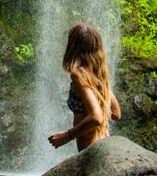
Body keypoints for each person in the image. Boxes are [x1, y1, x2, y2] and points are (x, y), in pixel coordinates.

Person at [48, 22, 121, 151]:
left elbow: (96, 117)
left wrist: (67, 136)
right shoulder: (98, 76)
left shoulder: (78, 76)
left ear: (73, 47)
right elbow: (116, 113)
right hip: (104, 143)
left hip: (91, 149)